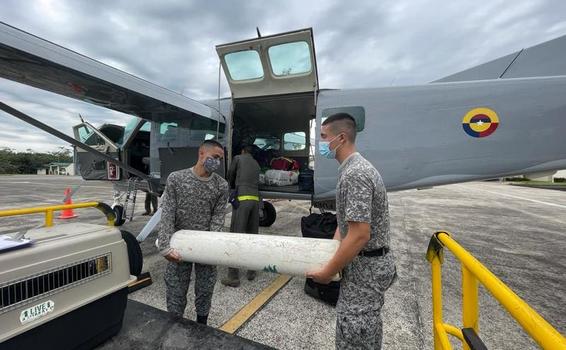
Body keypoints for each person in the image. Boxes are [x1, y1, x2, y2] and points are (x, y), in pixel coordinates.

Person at [306, 113, 397, 349]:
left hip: (365, 270)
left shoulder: (355, 174)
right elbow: (346, 223)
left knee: (355, 331)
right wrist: (333, 250)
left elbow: (359, 234)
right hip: (366, 266)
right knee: (364, 327)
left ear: (342, 138)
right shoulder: (352, 169)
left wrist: (327, 272)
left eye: (324, 137)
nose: (321, 143)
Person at [157, 139, 229, 325]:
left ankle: (201, 326)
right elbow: (167, 213)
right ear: (201, 154)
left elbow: (217, 219)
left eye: (220, 159)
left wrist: (210, 247)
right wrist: (165, 247)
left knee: (205, 289)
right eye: (214, 157)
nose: (217, 162)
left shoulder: (221, 186)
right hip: (178, 245)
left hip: (205, 247)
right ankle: (174, 325)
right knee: (176, 289)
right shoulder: (176, 179)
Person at [221, 144, 261, 287]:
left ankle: (233, 276)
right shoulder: (256, 163)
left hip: (242, 201)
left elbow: (230, 174)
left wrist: (230, 186)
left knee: (235, 237)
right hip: (255, 201)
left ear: (243, 151)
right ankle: (251, 271)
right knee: (252, 236)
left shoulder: (238, 158)